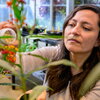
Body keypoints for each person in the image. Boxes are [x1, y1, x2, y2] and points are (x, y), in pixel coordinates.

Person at [15, 4, 100, 100]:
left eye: (86, 28)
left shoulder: (97, 76)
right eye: (71, 24)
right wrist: (6, 47)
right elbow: (15, 63)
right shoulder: (55, 53)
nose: (74, 31)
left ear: (98, 40)